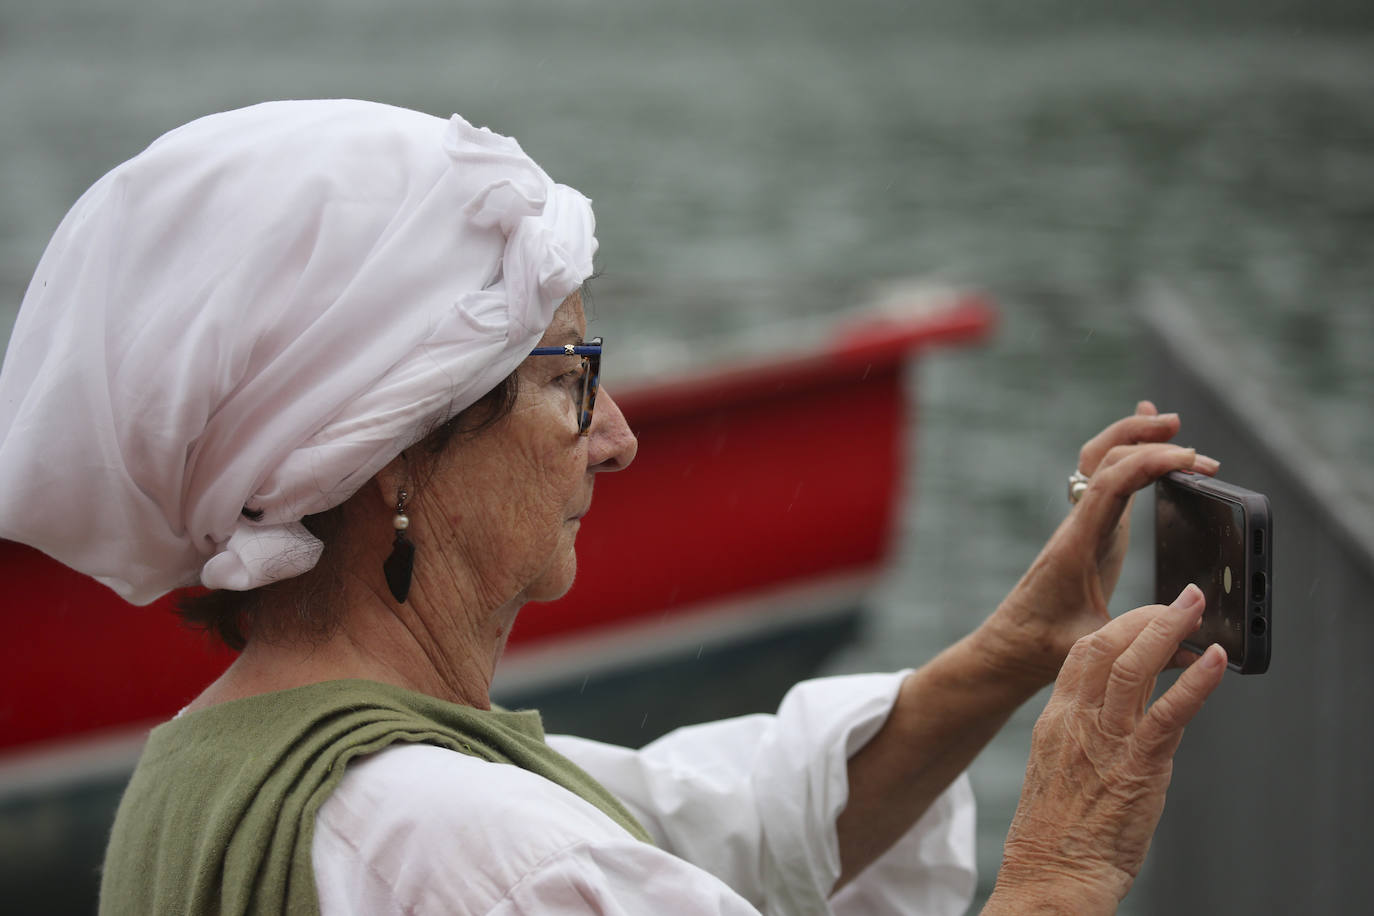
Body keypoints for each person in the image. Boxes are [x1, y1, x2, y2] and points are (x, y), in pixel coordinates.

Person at [0, 100, 1227, 916]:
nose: (619, 437)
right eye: (566, 379)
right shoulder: (470, 847)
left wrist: (1009, 657)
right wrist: (1062, 863)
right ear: (390, 456)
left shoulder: (219, 756)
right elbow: (558, 854)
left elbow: (715, 819)